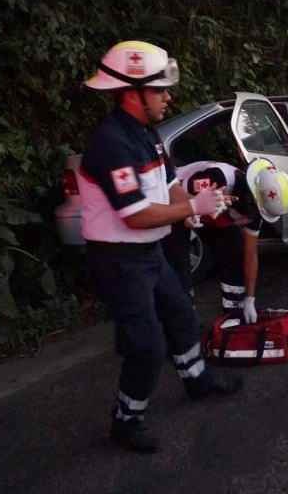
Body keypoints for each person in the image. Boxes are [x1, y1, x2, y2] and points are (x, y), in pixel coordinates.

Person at [80, 40, 243, 454]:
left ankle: (197, 379)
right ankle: (126, 419)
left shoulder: (146, 134)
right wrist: (191, 206)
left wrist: (186, 211)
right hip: (120, 259)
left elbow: (168, 185)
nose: (168, 97)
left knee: (182, 315)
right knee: (147, 345)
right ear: (131, 94)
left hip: (150, 251)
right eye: (159, 90)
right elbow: (133, 215)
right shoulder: (111, 143)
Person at [174, 158, 288, 323]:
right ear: (252, 196)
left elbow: (250, 254)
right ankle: (183, 318)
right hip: (174, 208)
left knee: (236, 252)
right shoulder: (218, 177)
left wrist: (250, 298)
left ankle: (234, 311)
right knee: (180, 267)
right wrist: (192, 215)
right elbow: (175, 193)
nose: (252, 216)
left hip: (210, 215)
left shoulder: (254, 209)